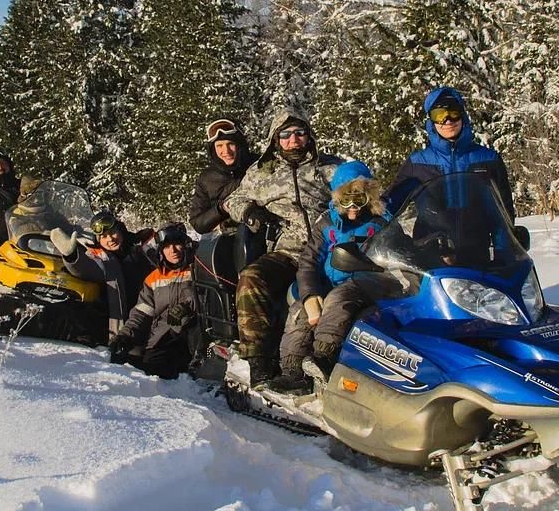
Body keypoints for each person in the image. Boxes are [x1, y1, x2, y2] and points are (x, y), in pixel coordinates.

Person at [221, 108, 342, 384]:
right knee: (251, 280)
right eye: (285, 135)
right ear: (276, 140)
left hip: (332, 250)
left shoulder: (330, 168)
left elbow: (362, 189)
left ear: (309, 136)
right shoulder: (263, 173)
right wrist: (250, 211)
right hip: (288, 252)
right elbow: (233, 201)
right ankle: (259, 360)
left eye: (299, 133)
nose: (293, 140)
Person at [268, 161, 396, 393]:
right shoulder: (326, 224)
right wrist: (310, 294)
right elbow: (308, 261)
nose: (353, 208)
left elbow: (398, 249)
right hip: (328, 283)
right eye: (346, 201)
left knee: (339, 297)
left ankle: (324, 355)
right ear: (337, 199)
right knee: (300, 311)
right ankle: (292, 370)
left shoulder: (381, 222)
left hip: (367, 283)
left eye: (359, 200)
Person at [388, 87, 516, 219]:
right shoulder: (417, 164)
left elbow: (504, 212)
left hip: (477, 238)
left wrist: (510, 238)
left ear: (462, 115)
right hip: (430, 238)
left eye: (453, 112)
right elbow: (388, 206)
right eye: (439, 115)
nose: (448, 120)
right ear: (431, 122)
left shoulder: (489, 159)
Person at [106, 222, 200, 379]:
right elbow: (142, 312)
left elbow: (208, 300)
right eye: (167, 246)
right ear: (161, 250)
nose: (173, 251)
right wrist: (125, 336)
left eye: (177, 244)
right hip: (162, 337)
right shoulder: (153, 278)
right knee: (138, 365)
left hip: (193, 335)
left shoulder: (197, 268)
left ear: (185, 244)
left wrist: (187, 307)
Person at [50, 209, 156, 343]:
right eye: (104, 237)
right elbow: (85, 268)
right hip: (124, 329)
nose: (110, 239)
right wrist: (71, 255)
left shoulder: (140, 248)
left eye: (112, 233)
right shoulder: (101, 258)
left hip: (153, 321)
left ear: (120, 230)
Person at [188, 117, 257, 234]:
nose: (226, 151)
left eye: (230, 144)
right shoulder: (207, 178)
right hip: (227, 238)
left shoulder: (258, 165)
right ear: (213, 149)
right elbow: (198, 223)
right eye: (219, 146)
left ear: (240, 144)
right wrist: (221, 209)